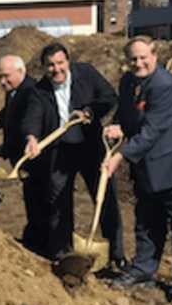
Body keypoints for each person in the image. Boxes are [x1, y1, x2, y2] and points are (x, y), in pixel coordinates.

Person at [105, 36, 172, 300]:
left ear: (154, 55)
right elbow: (126, 113)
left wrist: (121, 156)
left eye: (143, 57)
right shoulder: (128, 81)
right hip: (149, 168)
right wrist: (118, 126)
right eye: (133, 59)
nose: (139, 63)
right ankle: (143, 269)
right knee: (148, 222)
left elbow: (152, 131)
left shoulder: (164, 85)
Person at [23, 42, 125, 266]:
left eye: (60, 63)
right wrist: (31, 138)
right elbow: (33, 117)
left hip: (90, 147)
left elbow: (109, 97)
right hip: (59, 152)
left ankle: (116, 255)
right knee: (58, 202)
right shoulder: (40, 90)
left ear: (68, 61)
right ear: (44, 67)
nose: (56, 69)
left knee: (105, 199)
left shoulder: (86, 74)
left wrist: (90, 111)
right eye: (50, 65)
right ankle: (63, 252)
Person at [0, 54, 49, 255]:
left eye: (6, 76)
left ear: (21, 72)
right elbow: (10, 114)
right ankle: (34, 239)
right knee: (31, 199)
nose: (2, 82)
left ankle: (41, 244)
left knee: (40, 201)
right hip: (22, 159)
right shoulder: (15, 91)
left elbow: (25, 126)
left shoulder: (32, 92)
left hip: (34, 157)